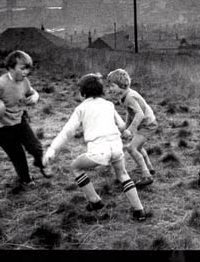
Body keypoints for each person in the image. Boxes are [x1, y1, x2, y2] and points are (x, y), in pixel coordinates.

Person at [42, 73, 147, 221]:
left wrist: (52, 149)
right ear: (101, 89)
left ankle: (95, 201)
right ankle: (140, 211)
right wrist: (130, 129)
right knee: (123, 175)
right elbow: (123, 125)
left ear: (82, 91)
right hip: (116, 147)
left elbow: (68, 132)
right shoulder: (108, 104)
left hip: (99, 151)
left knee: (75, 167)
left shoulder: (81, 108)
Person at [0, 50, 52, 187]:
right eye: (22, 68)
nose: (26, 72)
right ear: (10, 68)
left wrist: (36, 96)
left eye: (28, 68)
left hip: (19, 122)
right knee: (17, 155)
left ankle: (41, 164)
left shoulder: (24, 81)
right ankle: (26, 180)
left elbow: (31, 91)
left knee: (36, 147)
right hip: (1, 129)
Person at [106, 69, 158, 188]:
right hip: (144, 124)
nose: (110, 89)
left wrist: (131, 130)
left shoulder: (130, 97)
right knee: (138, 147)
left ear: (121, 85)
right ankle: (149, 167)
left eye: (112, 86)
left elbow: (139, 114)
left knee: (131, 148)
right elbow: (130, 113)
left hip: (148, 125)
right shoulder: (123, 96)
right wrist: (126, 126)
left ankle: (146, 176)